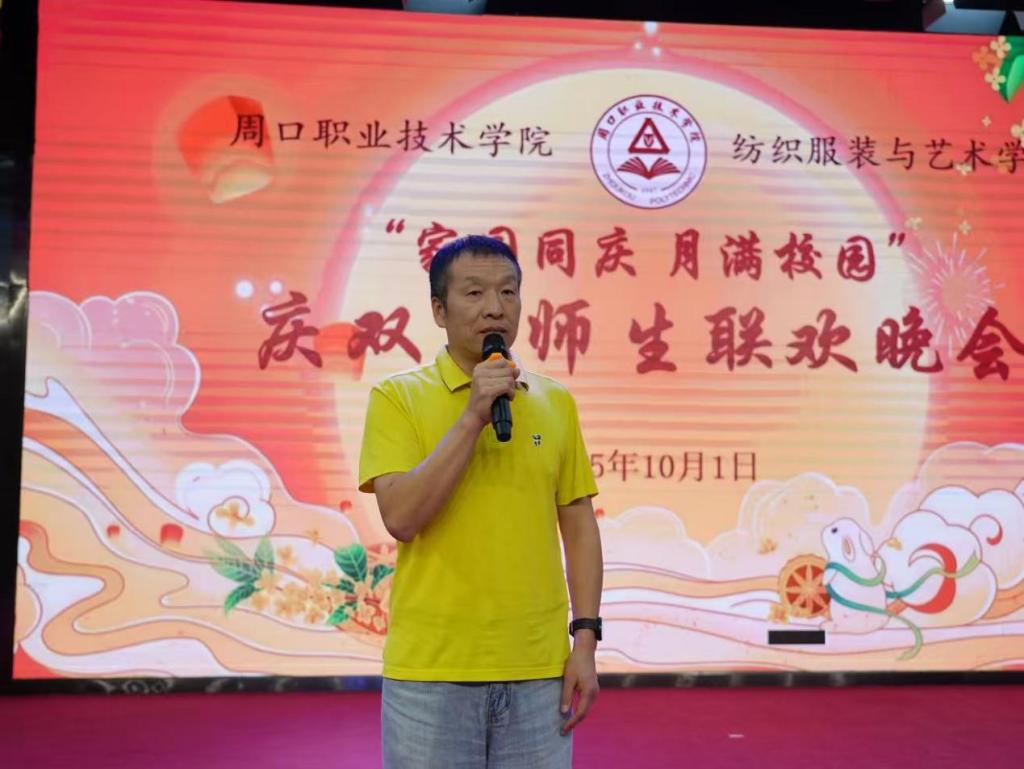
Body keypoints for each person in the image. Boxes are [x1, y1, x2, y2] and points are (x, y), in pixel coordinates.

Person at [358, 234, 604, 768]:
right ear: (439, 310)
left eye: (508, 292)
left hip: (539, 671)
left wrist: (585, 639)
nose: (495, 307)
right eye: (474, 293)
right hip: (432, 673)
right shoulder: (397, 398)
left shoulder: (555, 402)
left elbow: (579, 525)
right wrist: (472, 416)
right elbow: (401, 518)